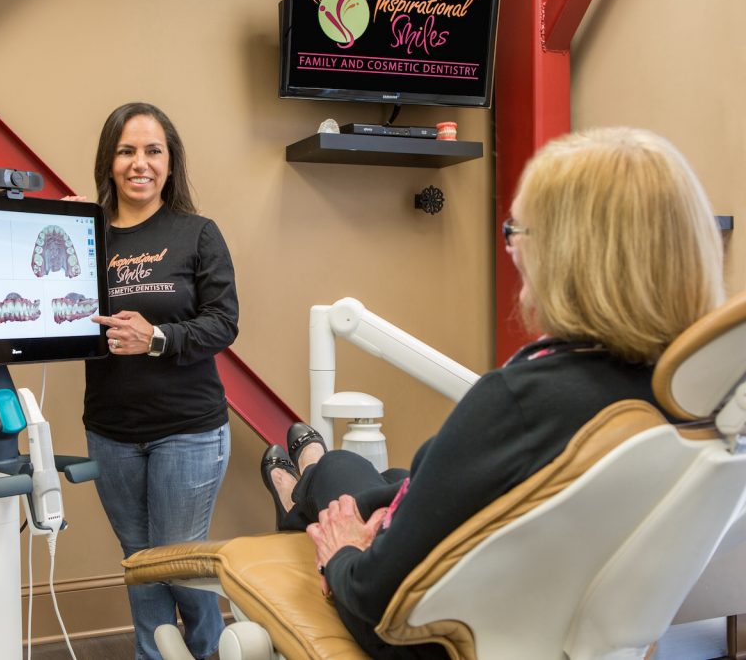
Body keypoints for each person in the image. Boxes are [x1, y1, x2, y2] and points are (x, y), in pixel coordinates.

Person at [260, 126, 726, 659]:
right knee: (384, 482)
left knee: (343, 475)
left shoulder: (522, 399)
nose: (513, 250)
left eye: (518, 231)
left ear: (569, 255)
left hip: (439, 635)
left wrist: (342, 554)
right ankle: (315, 476)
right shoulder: (698, 397)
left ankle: (304, 488)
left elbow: (375, 596)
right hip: (572, 612)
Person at [80, 102, 238, 660]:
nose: (139, 163)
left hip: (188, 430)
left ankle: (210, 652)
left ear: (171, 163)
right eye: (126, 151)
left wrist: (158, 338)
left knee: (177, 563)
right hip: (110, 430)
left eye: (153, 151)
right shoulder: (86, 237)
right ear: (109, 161)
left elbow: (223, 324)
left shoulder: (196, 233)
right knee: (139, 564)